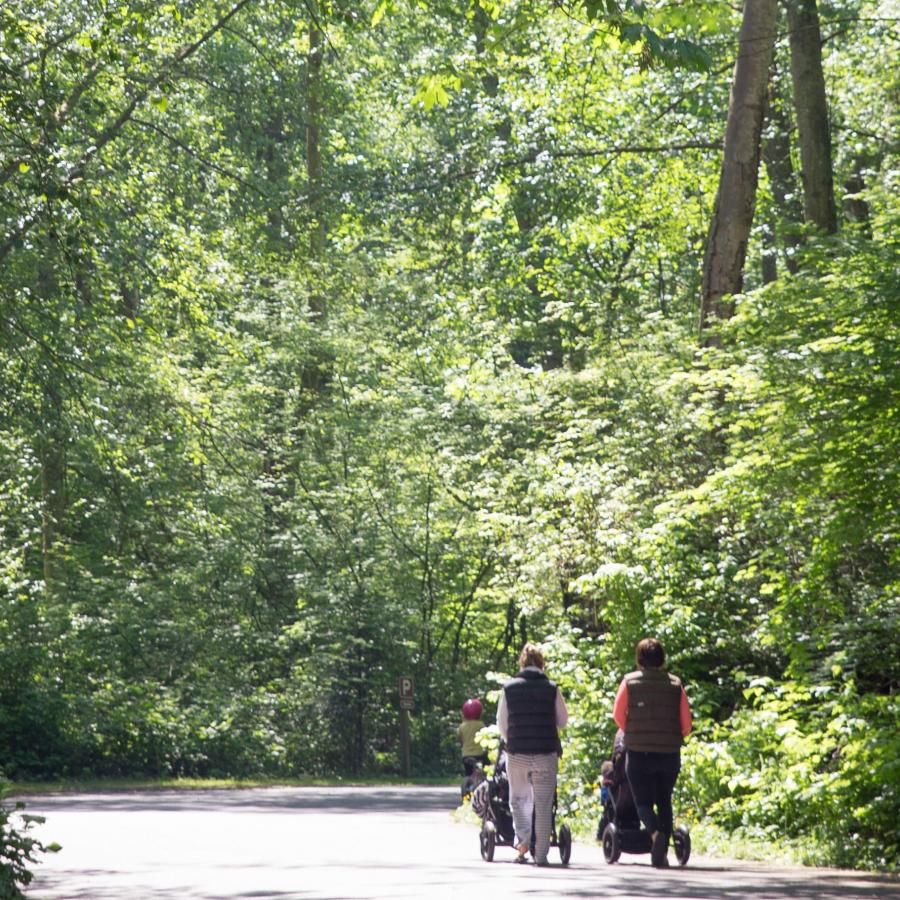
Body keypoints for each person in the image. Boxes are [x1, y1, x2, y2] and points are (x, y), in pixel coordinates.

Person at [612, 636, 692, 868]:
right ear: (662, 659)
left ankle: (656, 834)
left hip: (638, 753)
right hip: (669, 753)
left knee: (643, 803)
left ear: (639, 659)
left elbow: (618, 716)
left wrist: (633, 731)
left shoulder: (629, 682)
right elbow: (686, 725)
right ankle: (662, 851)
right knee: (664, 800)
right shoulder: (676, 684)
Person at [496, 642, 568, 866]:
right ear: (541, 664)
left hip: (517, 753)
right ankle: (542, 854)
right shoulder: (552, 688)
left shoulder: (509, 688)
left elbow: (502, 724)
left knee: (518, 799)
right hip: (546, 753)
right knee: (544, 804)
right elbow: (563, 721)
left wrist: (514, 739)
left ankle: (523, 844)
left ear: (522, 663)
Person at [457, 698, 487, 775]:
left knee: (468, 773)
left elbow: (460, 740)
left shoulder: (462, 726)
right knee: (486, 766)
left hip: (466, 755)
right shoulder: (481, 725)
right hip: (479, 754)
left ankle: (468, 782)